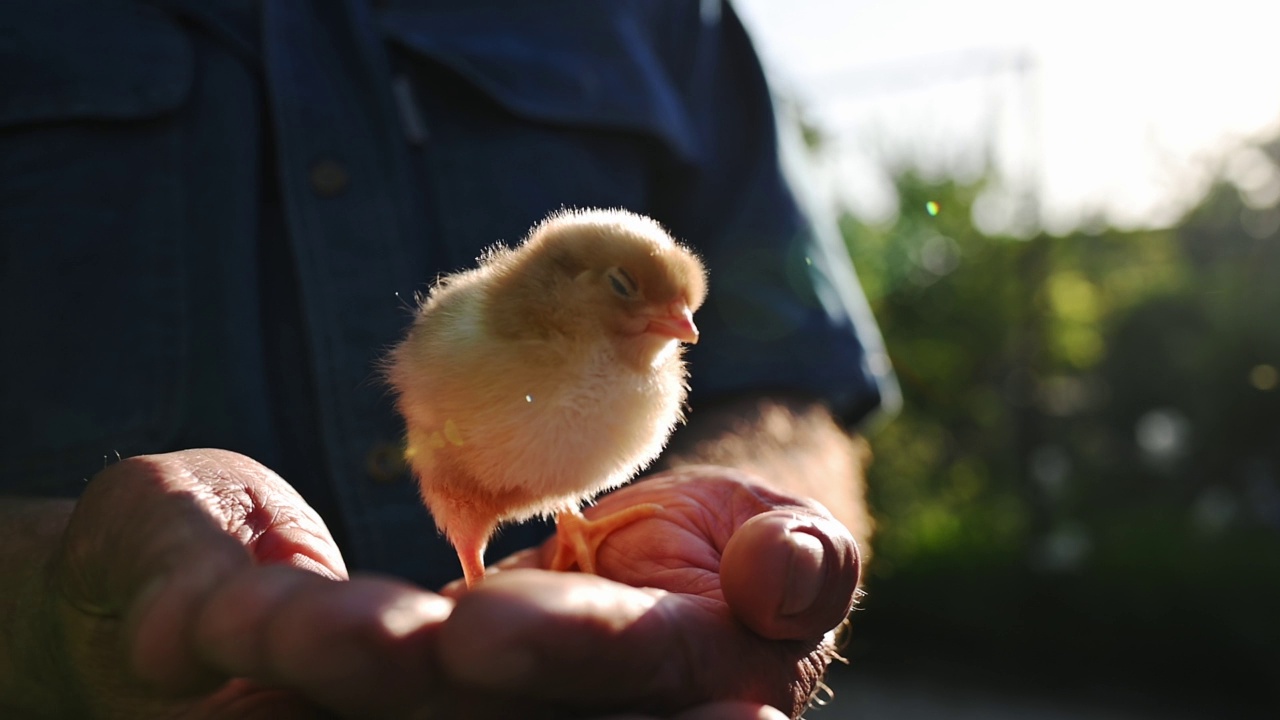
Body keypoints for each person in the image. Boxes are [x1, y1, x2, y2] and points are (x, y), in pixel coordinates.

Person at [0, 1, 894, 718]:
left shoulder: (665, 19)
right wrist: (48, 608)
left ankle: (552, 538)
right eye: (636, 298)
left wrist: (730, 537)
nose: (677, 328)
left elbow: (791, 386)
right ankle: (477, 567)